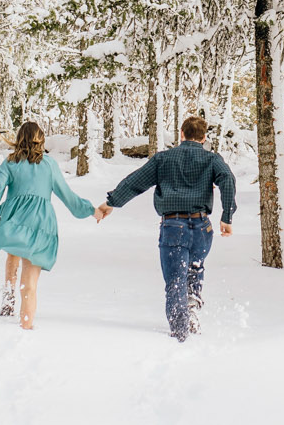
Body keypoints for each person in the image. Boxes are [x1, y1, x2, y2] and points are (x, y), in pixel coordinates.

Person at [95, 115, 237, 341]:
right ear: (204, 137)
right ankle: (191, 308)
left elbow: (135, 182)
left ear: (181, 134)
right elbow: (227, 179)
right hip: (202, 227)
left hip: (173, 226)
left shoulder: (164, 159)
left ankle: (181, 332)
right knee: (194, 268)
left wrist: (111, 203)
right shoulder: (212, 159)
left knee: (175, 280)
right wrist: (227, 216)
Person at [0, 121, 95, 330]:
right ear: (40, 139)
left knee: (12, 253)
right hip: (40, 225)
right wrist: (91, 210)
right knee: (30, 284)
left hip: (13, 222)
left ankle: (8, 297)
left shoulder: (10, 163)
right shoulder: (50, 165)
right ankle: (26, 327)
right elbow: (68, 197)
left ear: (19, 138)